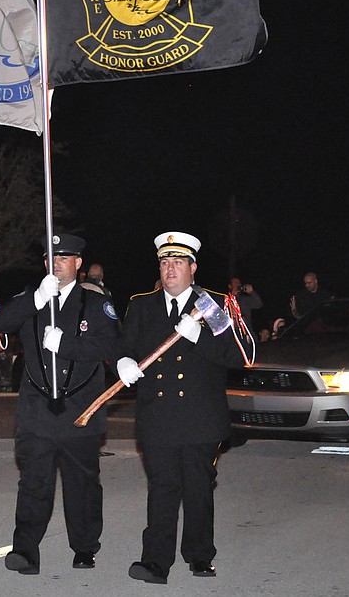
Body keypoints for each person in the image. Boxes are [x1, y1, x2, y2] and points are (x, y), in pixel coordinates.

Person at [115, 232, 245, 584]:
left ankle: (200, 555)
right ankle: (156, 561)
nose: (169, 269)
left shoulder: (213, 305)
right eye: (164, 262)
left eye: (177, 263)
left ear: (193, 268)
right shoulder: (142, 304)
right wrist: (124, 361)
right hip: (157, 417)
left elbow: (238, 356)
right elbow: (124, 345)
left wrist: (198, 336)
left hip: (201, 418)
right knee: (163, 488)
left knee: (199, 487)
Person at [0, 233, 120, 574]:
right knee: (34, 483)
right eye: (51, 258)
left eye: (64, 258)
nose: (57, 263)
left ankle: (84, 547)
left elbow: (109, 346)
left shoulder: (94, 302)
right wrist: (35, 299)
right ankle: (26, 550)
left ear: (78, 264)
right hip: (37, 409)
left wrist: (68, 344)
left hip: (81, 408)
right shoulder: (33, 299)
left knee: (83, 485)